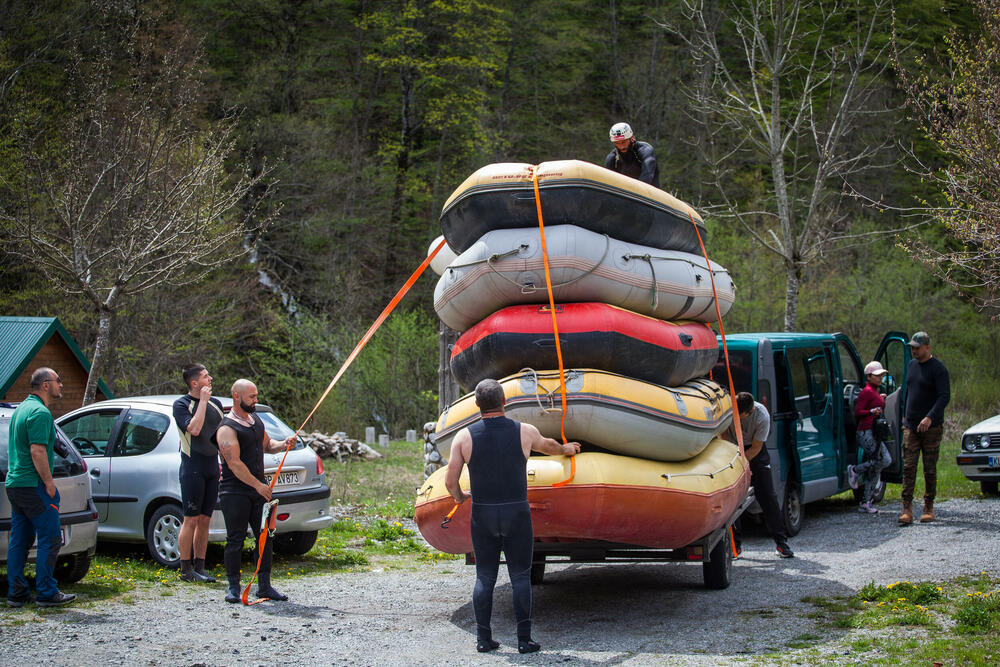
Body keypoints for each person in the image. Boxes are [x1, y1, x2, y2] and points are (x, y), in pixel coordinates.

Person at [445, 379, 580, 654]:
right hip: (516, 513)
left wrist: (460, 497)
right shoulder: (525, 431)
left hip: (483, 514)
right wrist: (568, 449)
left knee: (484, 577)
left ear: (477, 405)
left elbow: (450, 482)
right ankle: (524, 640)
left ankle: (484, 639)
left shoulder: (464, 436)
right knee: (520, 576)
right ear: (504, 402)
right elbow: (550, 446)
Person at [216, 378, 297, 603]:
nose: (255, 400)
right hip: (235, 491)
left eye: (256, 395)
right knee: (235, 539)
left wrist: (284, 444)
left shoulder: (256, 421)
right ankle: (233, 586)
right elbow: (234, 463)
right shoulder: (226, 427)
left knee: (265, 537)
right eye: (251, 396)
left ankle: (264, 586)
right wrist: (258, 485)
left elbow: (267, 445)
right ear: (236, 396)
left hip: (258, 492)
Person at [5, 368, 76, 607]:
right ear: (45, 385)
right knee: (52, 536)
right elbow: (37, 451)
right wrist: (48, 483)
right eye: (58, 381)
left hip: (15, 484)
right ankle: (46, 592)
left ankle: (17, 592)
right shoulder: (39, 412)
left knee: (21, 539)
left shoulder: (21, 410)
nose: (61, 385)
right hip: (33, 484)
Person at [171, 364, 224, 583]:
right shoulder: (181, 404)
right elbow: (193, 429)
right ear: (194, 383)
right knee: (190, 518)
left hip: (212, 465)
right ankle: (185, 569)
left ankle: (200, 566)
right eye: (205, 376)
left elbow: (221, 434)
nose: (210, 379)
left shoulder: (217, 404)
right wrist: (202, 401)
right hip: (193, 466)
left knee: (205, 519)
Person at [729, 392, 794, 558]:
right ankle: (734, 546)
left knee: (767, 496)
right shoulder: (729, 409)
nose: (737, 416)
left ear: (749, 412)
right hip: (733, 449)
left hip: (754, 451)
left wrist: (743, 463)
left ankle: (781, 543)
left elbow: (757, 448)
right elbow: (722, 435)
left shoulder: (761, 415)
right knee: (733, 499)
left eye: (740, 415)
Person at [899, 331, 950, 525]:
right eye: (912, 348)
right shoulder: (911, 366)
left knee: (929, 469)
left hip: (931, 428)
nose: (914, 351)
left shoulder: (938, 369)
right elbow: (908, 390)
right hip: (911, 426)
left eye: (917, 348)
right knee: (909, 467)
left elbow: (944, 396)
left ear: (927, 347)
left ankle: (928, 506)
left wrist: (930, 417)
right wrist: (904, 415)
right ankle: (906, 508)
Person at [847, 361, 893, 514]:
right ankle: (855, 470)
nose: (880, 378)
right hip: (865, 431)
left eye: (882, 375)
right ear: (869, 376)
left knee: (880, 463)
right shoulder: (866, 391)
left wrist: (880, 399)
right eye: (877, 375)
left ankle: (866, 501)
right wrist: (871, 411)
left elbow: (874, 402)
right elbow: (858, 412)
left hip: (873, 432)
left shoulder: (874, 392)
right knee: (880, 460)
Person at [604, 122, 660, 188]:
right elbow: (609, 184)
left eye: (624, 142)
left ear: (632, 138)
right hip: (626, 195)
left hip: (650, 194)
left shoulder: (645, 150)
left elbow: (647, 175)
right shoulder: (612, 158)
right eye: (617, 143)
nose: (621, 147)